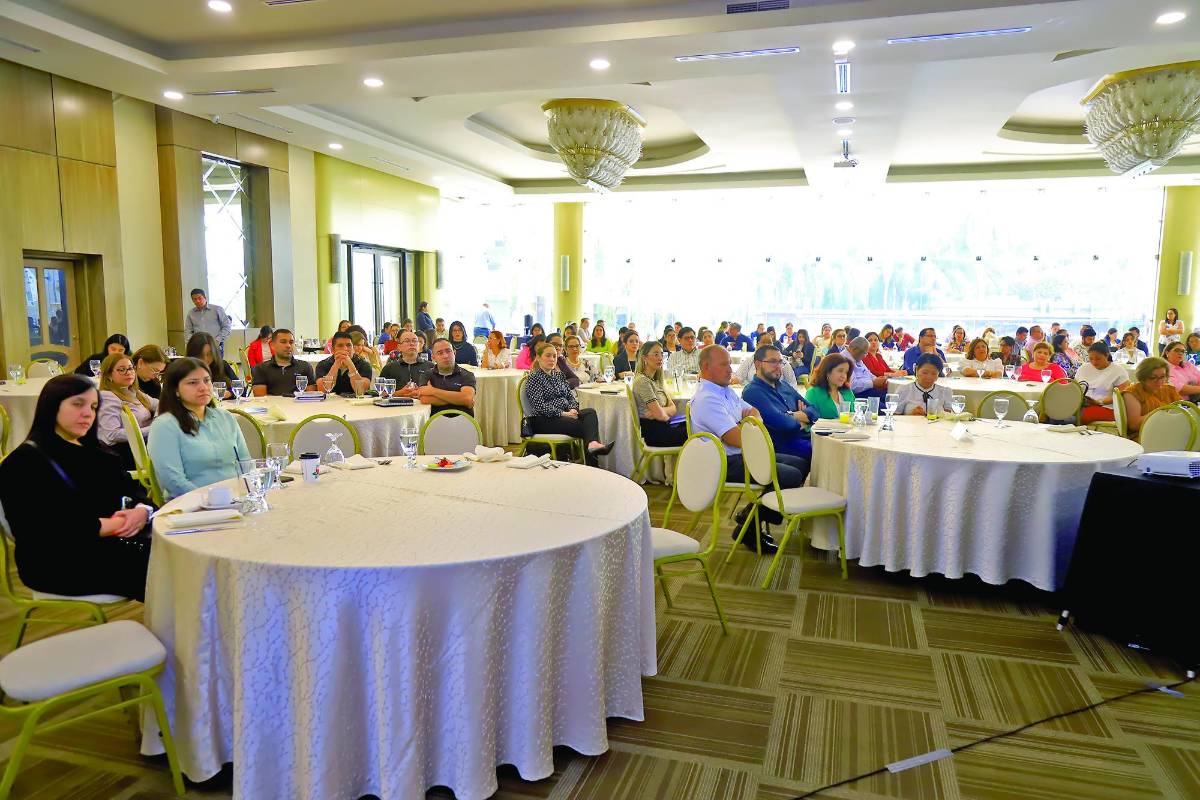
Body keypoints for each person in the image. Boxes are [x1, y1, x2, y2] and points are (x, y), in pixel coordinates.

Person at [0, 374, 155, 601]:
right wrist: (119, 523)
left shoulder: (99, 454)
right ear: (52, 406)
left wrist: (142, 511)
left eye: (93, 407)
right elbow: (44, 532)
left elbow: (137, 494)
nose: (88, 413)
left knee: (176, 561)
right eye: (77, 404)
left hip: (110, 547)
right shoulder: (24, 463)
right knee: (168, 570)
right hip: (57, 563)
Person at [689, 346, 809, 554]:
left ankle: (750, 517)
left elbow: (753, 412)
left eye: (730, 364)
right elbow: (738, 439)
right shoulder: (707, 399)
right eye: (724, 364)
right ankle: (750, 526)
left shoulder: (724, 391)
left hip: (741, 455)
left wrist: (748, 423)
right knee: (791, 475)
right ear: (706, 367)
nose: (730, 370)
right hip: (724, 462)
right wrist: (749, 426)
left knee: (801, 463)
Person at [148, 358, 250, 501]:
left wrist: (245, 494)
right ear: (175, 390)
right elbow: (174, 482)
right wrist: (214, 500)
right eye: (193, 383)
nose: (203, 387)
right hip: (191, 504)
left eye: (207, 380)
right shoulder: (165, 426)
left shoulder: (226, 418)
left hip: (235, 500)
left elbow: (245, 464)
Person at [522, 342, 613, 466]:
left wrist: (573, 409)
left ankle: (592, 446)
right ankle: (592, 462)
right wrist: (564, 413)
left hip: (564, 415)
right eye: (548, 356)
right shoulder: (534, 378)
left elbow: (570, 397)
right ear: (538, 357)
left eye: (554, 356)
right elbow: (539, 406)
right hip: (542, 419)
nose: (552, 359)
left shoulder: (559, 375)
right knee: (586, 427)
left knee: (590, 412)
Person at [741, 345, 815, 460]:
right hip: (782, 446)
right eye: (772, 362)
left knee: (833, 444)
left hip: (804, 437)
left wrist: (790, 415)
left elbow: (814, 411)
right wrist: (804, 421)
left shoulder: (784, 385)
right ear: (758, 364)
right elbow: (785, 424)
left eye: (780, 362)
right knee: (824, 451)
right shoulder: (752, 392)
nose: (778, 366)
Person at [97, 353, 158, 470]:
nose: (128, 372)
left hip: (143, 444)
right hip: (127, 453)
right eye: (122, 370)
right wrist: (154, 428)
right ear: (108, 375)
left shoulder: (132, 391)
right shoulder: (107, 396)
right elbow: (112, 435)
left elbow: (159, 404)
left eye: (130, 368)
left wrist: (157, 420)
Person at [630, 342, 687, 447]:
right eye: (656, 354)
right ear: (644, 358)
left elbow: (673, 409)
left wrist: (659, 411)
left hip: (664, 427)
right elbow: (661, 416)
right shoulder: (642, 381)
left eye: (661, 354)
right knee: (698, 433)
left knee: (697, 426)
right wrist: (660, 413)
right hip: (656, 433)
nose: (660, 358)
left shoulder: (657, 380)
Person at [1122, 357, 1181, 441]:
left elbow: (1181, 412)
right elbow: (1134, 425)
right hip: (1143, 435)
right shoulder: (1133, 393)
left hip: (1170, 431)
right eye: (1153, 378)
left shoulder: (1170, 390)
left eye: (1162, 377)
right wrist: (1163, 413)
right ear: (1142, 377)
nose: (1159, 381)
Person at [416, 338, 477, 415]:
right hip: (435, 421)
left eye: (448, 351)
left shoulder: (467, 375)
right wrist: (459, 400)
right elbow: (425, 399)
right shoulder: (426, 375)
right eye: (440, 353)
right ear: (433, 357)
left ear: (454, 353)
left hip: (464, 420)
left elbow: (467, 398)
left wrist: (433, 391)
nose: (445, 356)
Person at [1076, 342, 1132, 424]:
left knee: (1081, 415)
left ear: (1107, 355)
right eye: (1091, 359)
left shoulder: (1118, 371)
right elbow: (1075, 387)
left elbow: (1121, 395)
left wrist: (1099, 402)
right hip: (1083, 404)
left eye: (1098, 359)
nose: (1094, 362)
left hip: (1107, 407)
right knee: (1063, 412)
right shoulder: (1083, 368)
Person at [251, 328, 315, 396]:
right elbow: (261, 399)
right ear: (272, 345)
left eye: (291, 342)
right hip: (272, 403)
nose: (288, 346)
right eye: (283, 342)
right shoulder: (261, 369)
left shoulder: (305, 367)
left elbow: (311, 397)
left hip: (297, 402)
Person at [314, 331, 373, 395]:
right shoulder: (323, 365)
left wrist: (350, 365)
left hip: (354, 401)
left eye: (349, 345)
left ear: (353, 348)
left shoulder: (364, 365)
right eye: (340, 345)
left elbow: (361, 391)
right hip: (331, 401)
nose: (345, 349)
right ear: (333, 350)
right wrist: (336, 365)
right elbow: (323, 391)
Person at [804, 352, 856, 419]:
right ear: (827, 371)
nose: (844, 376)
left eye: (846, 372)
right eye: (840, 371)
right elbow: (809, 420)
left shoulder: (847, 392)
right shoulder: (813, 393)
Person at [183, 288, 232, 354]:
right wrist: (192, 343)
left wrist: (218, 340)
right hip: (198, 347)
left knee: (216, 361)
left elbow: (227, 326)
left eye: (199, 298)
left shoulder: (217, 309)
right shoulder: (191, 313)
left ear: (205, 298)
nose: (197, 301)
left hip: (215, 346)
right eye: (194, 299)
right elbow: (188, 331)